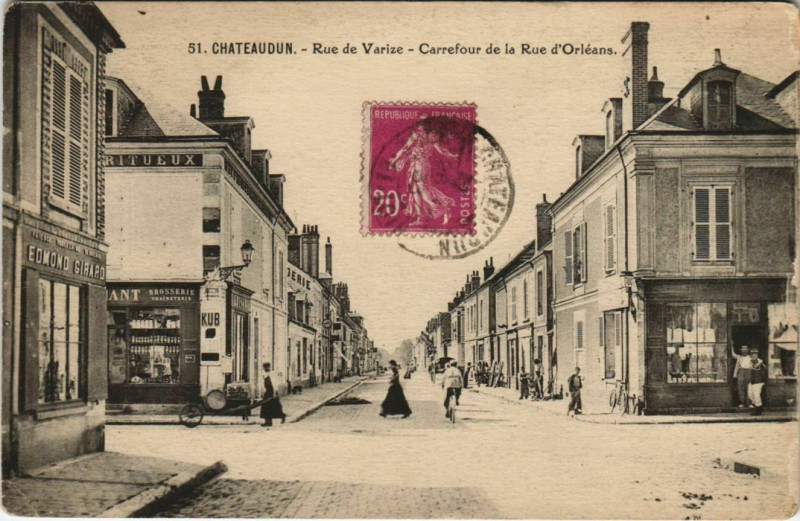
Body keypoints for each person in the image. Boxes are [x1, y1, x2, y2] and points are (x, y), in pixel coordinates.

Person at [259, 363, 286, 427]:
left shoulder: (272, 374)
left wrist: (275, 392)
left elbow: (275, 384)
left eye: (267, 367)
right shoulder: (264, 375)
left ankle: (282, 416)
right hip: (267, 392)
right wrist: (263, 393)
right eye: (265, 367)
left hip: (272, 392)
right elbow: (263, 384)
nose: (266, 368)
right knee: (265, 407)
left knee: (276, 407)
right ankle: (268, 422)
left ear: (269, 367)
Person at [748, 349, 768, 416]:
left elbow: (765, 371)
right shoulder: (750, 362)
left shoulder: (760, 363)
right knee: (750, 394)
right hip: (751, 381)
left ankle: (758, 409)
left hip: (758, 382)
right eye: (752, 354)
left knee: (756, 395)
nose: (753, 355)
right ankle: (758, 406)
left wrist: (763, 380)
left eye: (755, 354)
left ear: (757, 355)